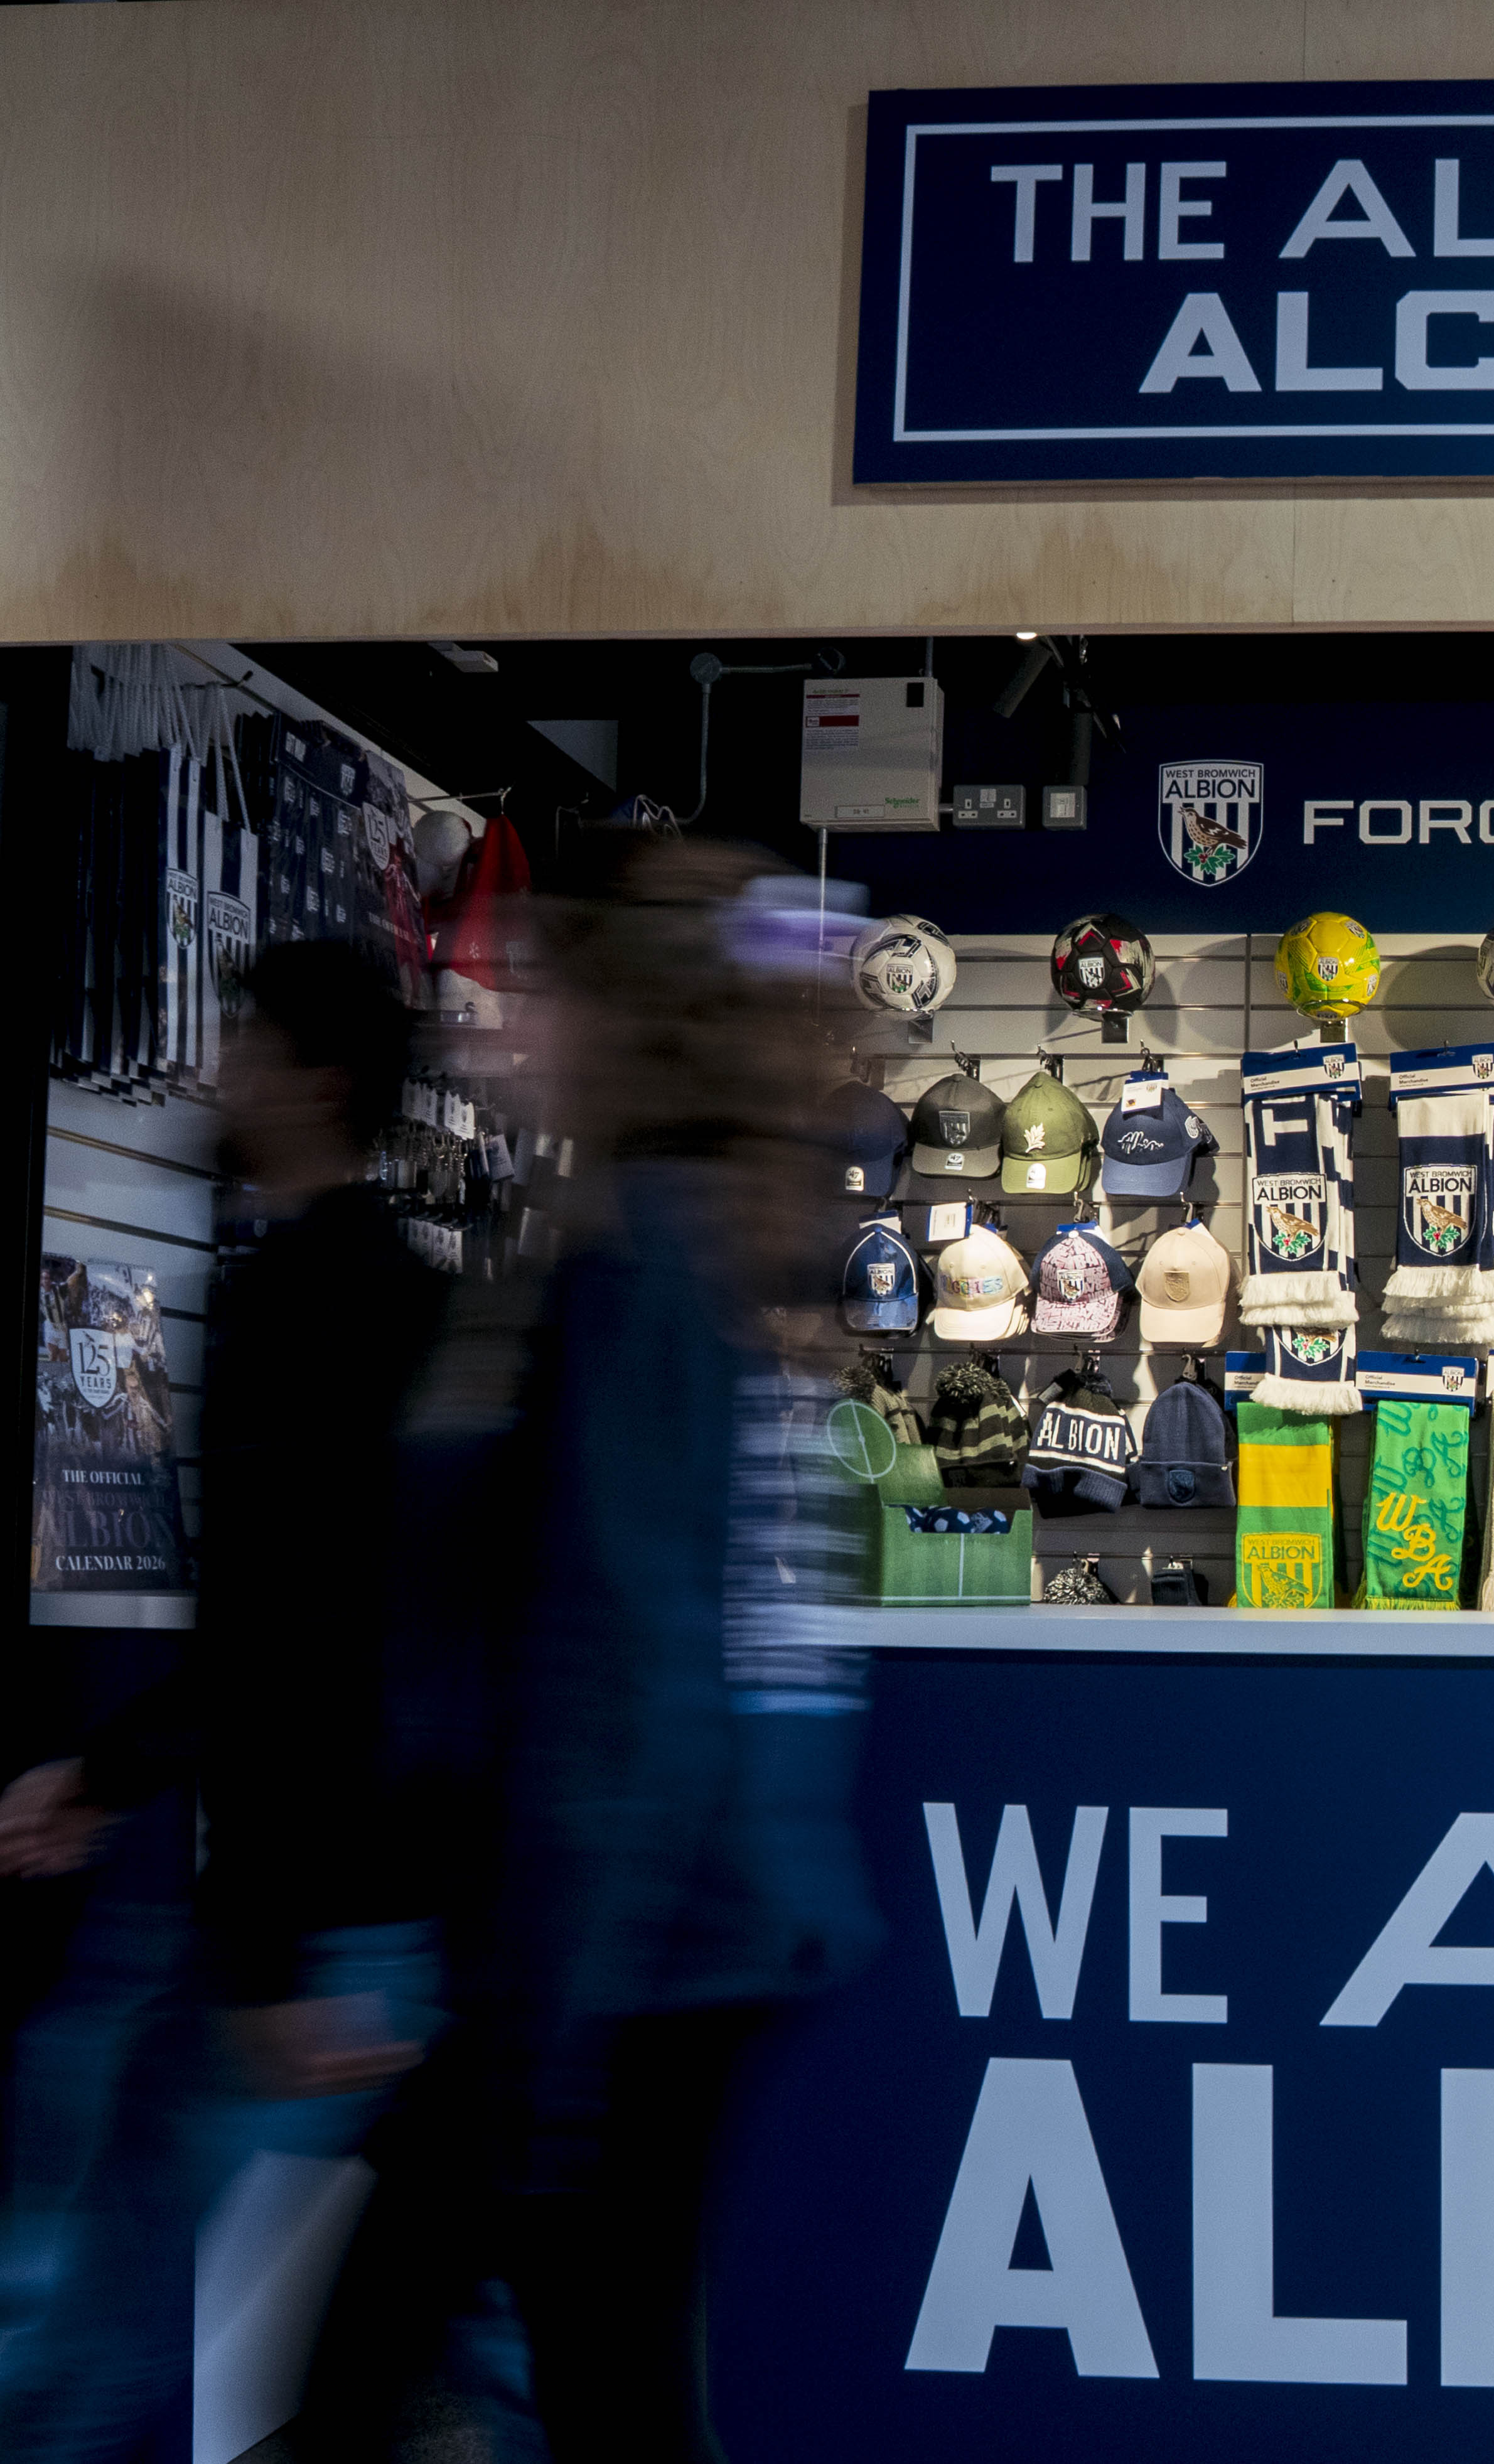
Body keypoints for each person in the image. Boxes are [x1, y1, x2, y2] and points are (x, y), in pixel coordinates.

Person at [298, 840, 878, 2461]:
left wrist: (548, 2025)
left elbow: (629, 1678)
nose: (495, 1019)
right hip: (650, 1943)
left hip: (599, 1958)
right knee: (594, 2387)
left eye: (532, 985)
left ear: (619, 1016)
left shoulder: (640, 1260)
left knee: (421, 2388)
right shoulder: (702, 1248)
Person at [0, 940, 450, 2461]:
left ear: (317, 1079)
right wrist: (110, 1778)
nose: (218, 1068)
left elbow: (317, 1640)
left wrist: (276, 1953)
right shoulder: (347, 1287)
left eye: (249, 1041)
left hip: (313, 1905)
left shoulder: (327, 1302)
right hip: (321, 1897)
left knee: (106, 2278)